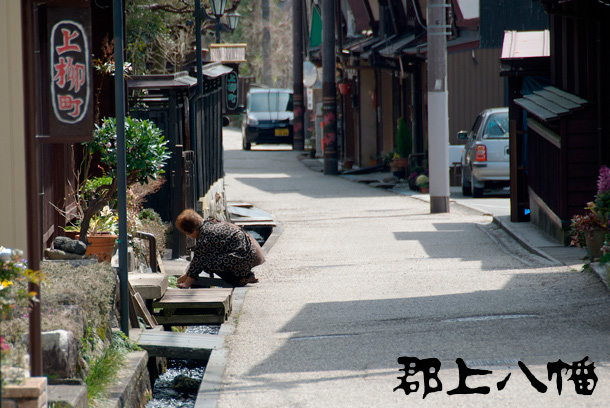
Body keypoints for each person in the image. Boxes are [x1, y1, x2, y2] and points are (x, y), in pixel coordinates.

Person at [174, 209, 265, 288]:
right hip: (249, 252)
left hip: (241, 257)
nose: (187, 236)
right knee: (207, 259)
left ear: (192, 231)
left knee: (207, 264)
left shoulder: (204, 237)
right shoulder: (209, 223)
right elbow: (197, 259)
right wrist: (186, 275)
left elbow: (198, 261)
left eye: (186, 233)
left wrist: (187, 283)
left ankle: (239, 280)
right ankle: (246, 274)